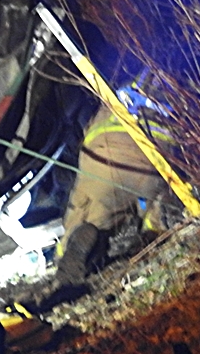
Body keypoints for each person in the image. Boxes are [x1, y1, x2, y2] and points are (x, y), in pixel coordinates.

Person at [53, 73, 176, 289]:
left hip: (104, 154)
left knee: (87, 207)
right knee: (154, 200)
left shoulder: (128, 77)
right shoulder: (183, 89)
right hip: (154, 159)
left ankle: (71, 242)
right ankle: (155, 224)